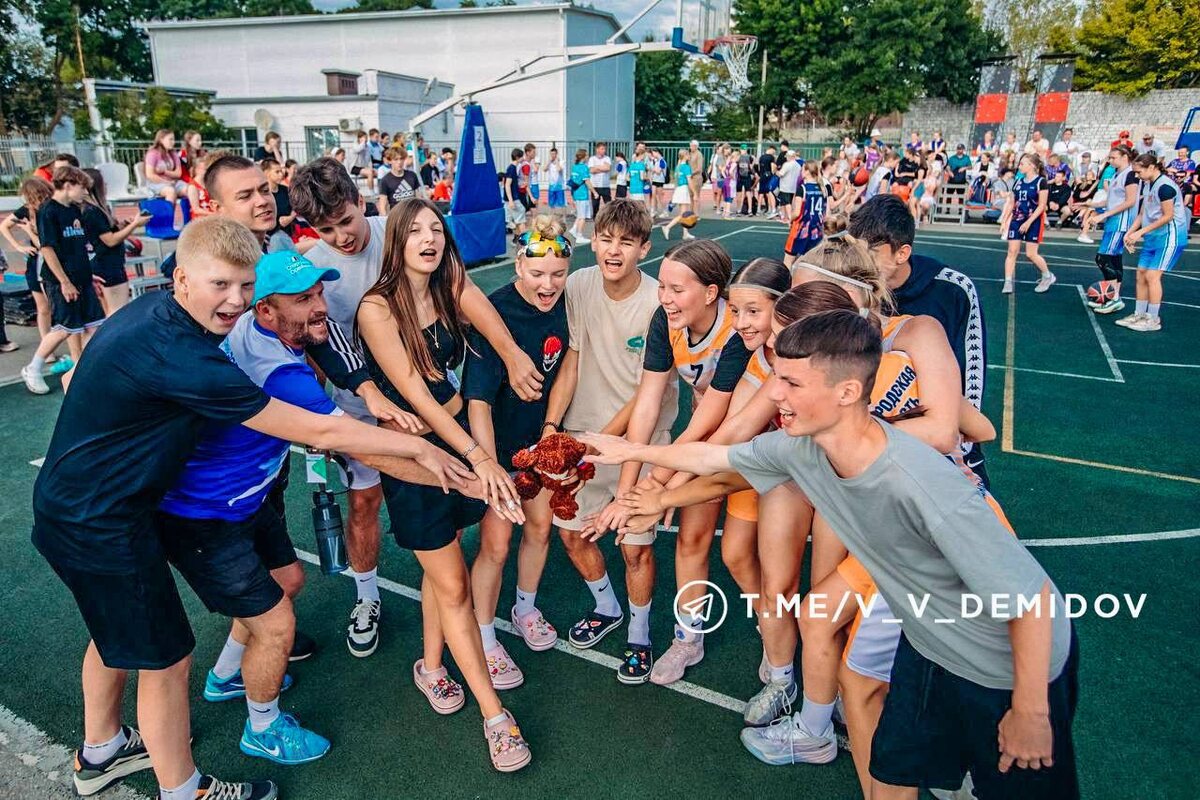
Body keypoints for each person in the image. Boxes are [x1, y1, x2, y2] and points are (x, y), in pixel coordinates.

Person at [34, 216, 478, 800]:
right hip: (109, 518)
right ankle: (195, 780)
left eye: (244, 286)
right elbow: (332, 434)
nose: (235, 299)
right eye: (221, 285)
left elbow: (85, 379)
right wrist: (435, 457)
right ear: (182, 279)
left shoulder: (168, 317)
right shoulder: (203, 358)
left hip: (133, 503)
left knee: (135, 627)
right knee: (169, 657)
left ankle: (106, 746)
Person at [582, 309, 1078, 800]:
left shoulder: (920, 485)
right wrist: (630, 453)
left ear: (847, 392)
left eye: (792, 383)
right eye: (777, 378)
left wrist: (1031, 711)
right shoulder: (805, 448)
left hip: (1005, 668)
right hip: (929, 647)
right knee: (891, 774)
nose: (775, 394)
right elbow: (715, 458)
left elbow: (1032, 602)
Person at [289, 158, 541, 658]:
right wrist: (326, 417)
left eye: (345, 221)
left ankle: (444, 633)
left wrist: (512, 353)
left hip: (428, 404)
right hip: (366, 404)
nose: (340, 237)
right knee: (365, 502)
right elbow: (313, 339)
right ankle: (368, 596)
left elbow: (462, 289)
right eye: (325, 230)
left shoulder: (405, 228)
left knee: (446, 516)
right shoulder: (318, 269)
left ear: (360, 201)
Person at [356, 199, 533, 772]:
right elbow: (417, 396)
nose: (429, 239)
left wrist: (513, 356)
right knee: (453, 584)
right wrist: (479, 456)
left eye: (436, 229)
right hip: (418, 457)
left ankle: (431, 666)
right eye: (416, 231)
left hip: (453, 439)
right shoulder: (377, 308)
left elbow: (484, 315)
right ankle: (495, 718)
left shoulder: (446, 286)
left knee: (446, 566)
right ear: (396, 241)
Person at [589, 238, 752, 686]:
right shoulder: (665, 320)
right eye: (662, 286)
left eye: (677, 289)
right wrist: (628, 491)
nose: (664, 297)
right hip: (705, 435)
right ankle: (689, 638)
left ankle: (777, 638)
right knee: (692, 540)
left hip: (749, 435)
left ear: (711, 292)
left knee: (743, 555)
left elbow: (711, 420)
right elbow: (648, 403)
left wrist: (656, 486)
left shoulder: (738, 329)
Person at [537, 199, 669, 683]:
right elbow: (572, 358)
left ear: (644, 249)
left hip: (639, 442)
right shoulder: (577, 285)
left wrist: (598, 443)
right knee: (572, 535)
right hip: (580, 437)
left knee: (635, 549)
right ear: (593, 241)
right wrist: (553, 428)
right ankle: (607, 607)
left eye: (626, 242)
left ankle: (639, 634)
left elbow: (647, 395)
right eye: (606, 239)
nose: (614, 250)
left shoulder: (658, 302)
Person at [463, 216, 573, 688]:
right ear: (518, 269)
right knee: (496, 544)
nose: (548, 285)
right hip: (499, 447)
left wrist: (550, 432)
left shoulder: (569, 304)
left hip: (540, 444)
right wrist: (489, 469)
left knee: (541, 527)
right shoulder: (497, 313)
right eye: (537, 273)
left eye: (558, 273)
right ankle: (485, 638)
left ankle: (524, 608)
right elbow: (478, 402)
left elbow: (567, 365)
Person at [848, 194, 991, 487]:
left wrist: (960, 445)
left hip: (934, 436)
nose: (861, 264)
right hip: (873, 437)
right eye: (856, 253)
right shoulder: (853, 287)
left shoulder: (952, 289)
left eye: (871, 254)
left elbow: (971, 375)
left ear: (902, 253)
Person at [21, 167, 105, 394]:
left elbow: (77, 248)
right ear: (68, 185)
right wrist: (64, 282)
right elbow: (48, 249)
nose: (85, 193)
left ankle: (85, 372)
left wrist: (87, 275)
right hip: (60, 281)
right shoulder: (49, 211)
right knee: (64, 328)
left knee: (94, 327)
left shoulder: (74, 210)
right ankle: (33, 368)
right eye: (82, 188)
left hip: (81, 279)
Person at [1117, 153, 1189, 333]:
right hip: (1153, 237)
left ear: (1151, 167)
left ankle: (1153, 318)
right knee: (1141, 274)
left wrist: (1140, 232)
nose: (1137, 175)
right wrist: (1130, 233)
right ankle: (1140, 313)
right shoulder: (1148, 183)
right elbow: (1143, 213)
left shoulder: (1165, 187)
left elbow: (1168, 216)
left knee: (1152, 276)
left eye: (1139, 172)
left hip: (1169, 237)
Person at [1, 177, 65, 365]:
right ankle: (47, 348)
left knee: (57, 306)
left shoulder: (52, 210)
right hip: (38, 261)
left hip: (54, 259)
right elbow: (5, 226)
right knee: (43, 308)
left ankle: (60, 344)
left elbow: (46, 243)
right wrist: (18, 246)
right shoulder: (27, 211)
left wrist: (29, 233)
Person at [81, 168, 148, 316]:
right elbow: (110, 240)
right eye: (103, 183)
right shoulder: (93, 212)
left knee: (108, 311)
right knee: (118, 311)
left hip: (101, 262)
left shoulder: (93, 210)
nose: (106, 186)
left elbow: (106, 232)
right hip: (107, 265)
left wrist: (124, 225)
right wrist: (134, 225)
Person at [999, 153, 1055, 295]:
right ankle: (1007, 281)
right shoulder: (1018, 182)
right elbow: (1012, 202)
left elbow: (1042, 205)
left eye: (1022, 163)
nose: (1019, 166)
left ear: (1032, 166)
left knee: (1031, 254)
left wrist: (1029, 222)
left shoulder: (1041, 182)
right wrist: (1004, 221)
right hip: (1017, 219)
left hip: (1034, 220)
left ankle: (1047, 275)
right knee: (1012, 251)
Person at [783, 161, 828, 267]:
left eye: (802, 169)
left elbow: (797, 212)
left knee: (788, 260)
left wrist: (789, 219)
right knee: (811, 262)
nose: (801, 172)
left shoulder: (803, 189)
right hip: (817, 230)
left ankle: (786, 278)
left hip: (801, 229)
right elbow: (825, 212)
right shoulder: (823, 189)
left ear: (807, 171)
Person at [661, 149, 697, 241]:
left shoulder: (678, 167)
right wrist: (695, 192)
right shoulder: (686, 167)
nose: (689, 156)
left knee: (684, 213)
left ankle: (685, 233)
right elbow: (689, 181)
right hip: (683, 189)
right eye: (688, 154)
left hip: (679, 189)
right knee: (683, 214)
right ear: (685, 156)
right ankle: (668, 227)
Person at [376, 146, 423, 215]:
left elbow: (419, 197)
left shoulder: (412, 175)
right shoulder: (385, 180)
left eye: (401, 159)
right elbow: (383, 204)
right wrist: (384, 218)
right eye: (396, 159)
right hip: (397, 215)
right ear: (390, 161)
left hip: (412, 213)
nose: (399, 162)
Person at [143, 130, 187, 204]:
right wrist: (166, 182)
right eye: (170, 139)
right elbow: (150, 175)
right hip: (156, 183)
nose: (173, 142)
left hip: (172, 182)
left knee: (190, 190)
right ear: (161, 140)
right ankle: (168, 211)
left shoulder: (173, 154)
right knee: (170, 191)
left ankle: (193, 211)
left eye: (173, 139)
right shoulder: (153, 153)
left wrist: (164, 171)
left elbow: (178, 174)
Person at [569, 148, 594, 244]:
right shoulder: (584, 167)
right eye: (587, 155)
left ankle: (574, 229)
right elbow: (587, 181)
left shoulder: (574, 167)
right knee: (583, 217)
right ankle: (579, 236)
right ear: (584, 157)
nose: (588, 157)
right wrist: (594, 192)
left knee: (580, 214)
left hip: (576, 193)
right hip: (583, 195)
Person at [504, 148, 527, 244]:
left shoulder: (512, 168)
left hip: (512, 199)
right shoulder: (512, 168)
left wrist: (519, 186)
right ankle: (525, 241)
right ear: (517, 157)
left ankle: (516, 240)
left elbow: (510, 184)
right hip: (513, 199)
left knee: (517, 220)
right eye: (522, 157)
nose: (523, 158)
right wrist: (511, 200)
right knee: (521, 220)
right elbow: (507, 185)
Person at [184, 155, 216, 219]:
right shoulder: (193, 186)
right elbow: (196, 209)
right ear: (197, 170)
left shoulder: (207, 183)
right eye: (205, 169)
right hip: (200, 218)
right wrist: (213, 214)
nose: (208, 171)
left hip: (211, 215)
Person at [776, 150, 802, 224]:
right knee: (789, 202)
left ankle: (789, 218)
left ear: (790, 157)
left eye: (787, 156)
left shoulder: (787, 164)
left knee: (787, 203)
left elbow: (781, 174)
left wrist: (776, 171)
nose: (786, 158)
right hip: (793, 186)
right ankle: (786, 217)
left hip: (785, 186)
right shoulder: (798, 165)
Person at [588, 143, 613, 216]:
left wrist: (597, 167)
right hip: (595, 186)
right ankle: (596, 218)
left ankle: (609, 218)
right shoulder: (592, 159)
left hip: (605, 186)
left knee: (608, 204)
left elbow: (608, 168)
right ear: (597, 149)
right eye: (602, 149)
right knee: (595, 205)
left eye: (604, 149)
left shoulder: (607, 158)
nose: (604, 150)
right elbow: (592, 170)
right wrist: (603, 167)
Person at [758, 145, 779, 218]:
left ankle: (758, 209)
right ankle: (770, 209)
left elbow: (759, 167)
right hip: (769, 175)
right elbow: (773, 168)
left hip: (762, 175)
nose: (774, 153)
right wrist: (774, 173)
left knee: (761, 193)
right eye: (774, 152)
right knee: (769, 192)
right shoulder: (771, 157)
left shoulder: (761, 157)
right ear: (772, 149)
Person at [686, 140, 706, 211]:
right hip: (690, 178)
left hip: (696, 178)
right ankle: (691, 212)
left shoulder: (699, 154)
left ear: (696, 146)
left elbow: (699, 168)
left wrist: (691, 173)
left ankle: (696, 213)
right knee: (690, 196)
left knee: (696, 196)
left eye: (692, 146)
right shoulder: (690, 153)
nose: (690, 147)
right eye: (690, 146)